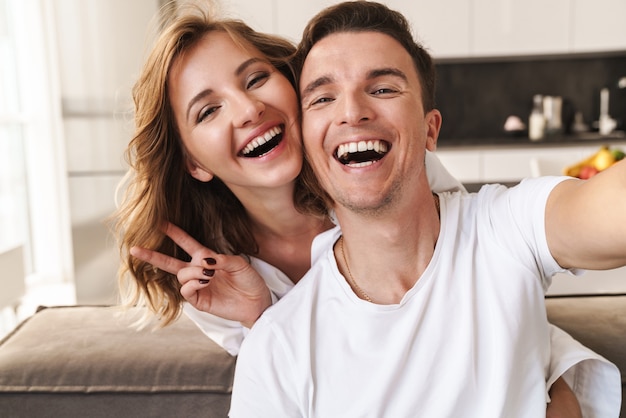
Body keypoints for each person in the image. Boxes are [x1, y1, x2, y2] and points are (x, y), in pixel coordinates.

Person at [114, 1, 615, 416]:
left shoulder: (404, 180)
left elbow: (486, 291)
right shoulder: (224, 289)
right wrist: (263, 321)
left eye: (255, 80)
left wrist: (557, 389)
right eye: (208, 110)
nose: (248, 111)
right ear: (194, 164)